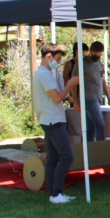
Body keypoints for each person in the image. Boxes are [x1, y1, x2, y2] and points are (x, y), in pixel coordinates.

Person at [32, 44, 80, 204]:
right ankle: (56, 193)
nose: (58, 62)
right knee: (66, 156)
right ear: (48, 56)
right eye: (57, 59)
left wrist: (68, 93)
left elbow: (59, 96)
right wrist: (70, 85)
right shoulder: (44, 75)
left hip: (50, 119)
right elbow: (57, 97)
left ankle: (53, 193)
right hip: (53, 120)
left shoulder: (46, 74)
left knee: (52, 158)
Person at [73, 41, 110, 142]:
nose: (97, 55)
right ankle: (101, 147)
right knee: (99, 123)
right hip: (88, 98)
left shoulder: (99, 63)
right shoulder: (82, 63)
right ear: (91, 51)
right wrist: (75, 101)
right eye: (95, 52)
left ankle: (89, 149)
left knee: (89, 127)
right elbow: (73, 82)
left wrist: (108, 96)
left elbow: (102, 80)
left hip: (98, 98)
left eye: (99, 53)